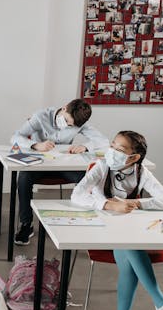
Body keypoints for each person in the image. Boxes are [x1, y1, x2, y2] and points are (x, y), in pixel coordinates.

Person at [71, 130, 163, 310]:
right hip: (101, 229)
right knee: (131, 247)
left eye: (120, 149)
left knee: (129, 257)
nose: (112, 151)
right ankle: (161, 304)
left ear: (134, 157)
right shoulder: (102, 167)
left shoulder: (141, 172)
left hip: (127, 231)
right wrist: (107, 204)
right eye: (112, 145)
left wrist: (138, 204)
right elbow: (76, 195)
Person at [11, 98, 107, 245]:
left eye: (71, 125)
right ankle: (26, 224)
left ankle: (80, 220)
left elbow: (103, 141)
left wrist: (85, 147)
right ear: (64, 108)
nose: (68, 125)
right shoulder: (40, 116)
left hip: (63, 166)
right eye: (68, 121)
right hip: (39, 165)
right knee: (23, 178)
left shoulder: (79, 122)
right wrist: (35, 145)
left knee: (87, 178)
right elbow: (16, 137)